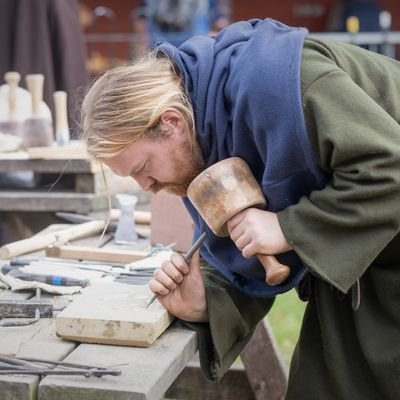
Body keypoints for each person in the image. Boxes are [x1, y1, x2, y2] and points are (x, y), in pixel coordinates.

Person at [80, 18, 400, 399]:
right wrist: (204, 303)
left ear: (170, 123)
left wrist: (288, 229)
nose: (146, 186)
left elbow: (390, 171)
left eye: (142, 168)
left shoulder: (279, 83)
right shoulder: (206, 132)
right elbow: (243, 257)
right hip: (362, 254)